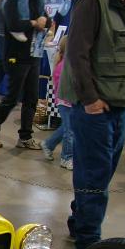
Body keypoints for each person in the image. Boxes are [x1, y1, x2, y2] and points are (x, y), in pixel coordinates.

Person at [58, 0, 125, 249]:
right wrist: (90, 98)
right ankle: (89, 242)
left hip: (120, 101)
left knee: (103, 171)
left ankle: (80, 221)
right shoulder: (91, 1)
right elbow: (76, 53)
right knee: (95, 173)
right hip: (95, 106)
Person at [0, 0, 50, 150]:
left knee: (31, 97)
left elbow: (48, 20)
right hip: (16, 55)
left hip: (34, 54)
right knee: (12, 97)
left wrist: (44, 21)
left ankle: (25, 136)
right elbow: (14, 24)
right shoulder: (12, 0)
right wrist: (34, 23)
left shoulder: (36, 1)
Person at [40, 35, 73, 170]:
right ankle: (66, 158)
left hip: (70, 101)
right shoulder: (63, 66)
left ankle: (48, 144)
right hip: (65, 102)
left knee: (67, 128)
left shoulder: (69, 64)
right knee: (70, 130)